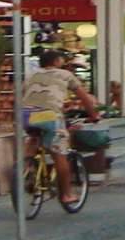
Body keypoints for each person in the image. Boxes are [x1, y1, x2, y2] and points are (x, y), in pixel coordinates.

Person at [19, 50, 100, 204]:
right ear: (56, 61)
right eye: (61, 59)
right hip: (49, 115)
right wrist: (94, 115)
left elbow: (23, 95)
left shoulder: (31, 75)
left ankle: (25, 168)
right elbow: (85, 97)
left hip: (25, 115)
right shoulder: (65, 74)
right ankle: (66, 194)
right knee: (59, 154)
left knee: (34, 137)